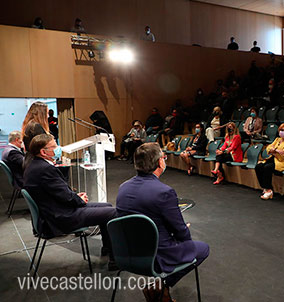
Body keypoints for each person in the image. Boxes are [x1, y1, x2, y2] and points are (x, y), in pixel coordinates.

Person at [116, 143, 209, 300]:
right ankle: (161, 287)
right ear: (160, 162)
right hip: (157, 257)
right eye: (164, 158)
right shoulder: (164, 192)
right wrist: (180, 231)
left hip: (126, 253)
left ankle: (159, 289)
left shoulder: (123, 188)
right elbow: (182, 234)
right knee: (203, 248)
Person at [24, 134, 117, 268]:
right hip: (62, 216)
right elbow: (67, 197)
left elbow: (59, 193)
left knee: (107, 206)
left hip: (56, 209)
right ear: (43, 152)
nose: (58, 148)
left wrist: (75, 197)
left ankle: (108, 248)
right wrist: (79, 199)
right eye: (54, 146)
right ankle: (115, 260)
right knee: (112, 213)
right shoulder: (45, 169)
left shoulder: (35, 165)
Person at [255, 124, 284, 200]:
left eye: (283, 130)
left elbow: (283, 156)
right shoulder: (277, 139)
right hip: (274, 159)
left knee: (267, 167)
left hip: (283, 163)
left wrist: (273, 151)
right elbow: (268, 148)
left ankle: (268, 190)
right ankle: (265, 188)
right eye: (280, 130)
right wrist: (276, 151)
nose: (281, 132)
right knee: (258, 166)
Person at [22, 102, 50, 168]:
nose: (48, 116)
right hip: (36, 163)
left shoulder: (30, 125)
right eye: (47, 113)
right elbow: (42, 147)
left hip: (31, 162)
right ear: (41, 114)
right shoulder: (36, 127)